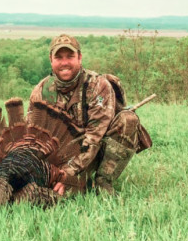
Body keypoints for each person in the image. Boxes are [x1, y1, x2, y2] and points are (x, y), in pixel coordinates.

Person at [30, 34, 149, 195]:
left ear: (79, 58)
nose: (64, 62)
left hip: (93, 150)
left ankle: (103, 181)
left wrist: (67, 173)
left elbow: (94, 138)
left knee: (128, 119)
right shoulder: (41, 90)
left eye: (70, 56)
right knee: (46, 195)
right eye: (59, 57)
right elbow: (31, 136)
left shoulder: (98, 85)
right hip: (59, 156)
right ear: (51, 60)